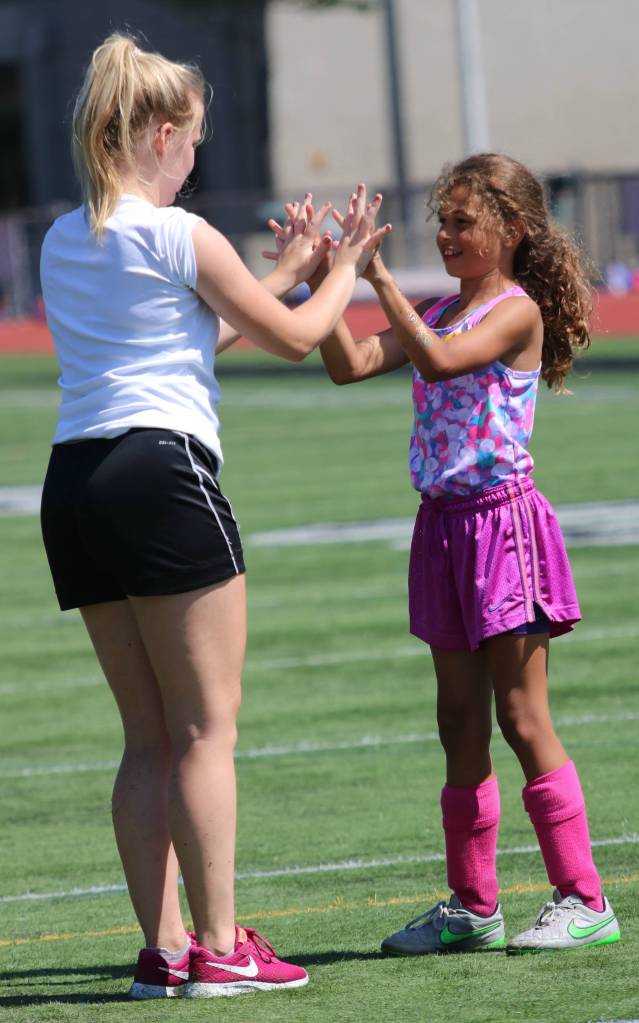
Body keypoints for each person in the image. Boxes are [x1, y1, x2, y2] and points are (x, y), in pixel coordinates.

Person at [39, 32, 389, 999]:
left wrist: (287, 268)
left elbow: (187, 335)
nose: (195, 156)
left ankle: (164, 951)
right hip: (162, 472)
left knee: (146, 735)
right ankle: (223, 946)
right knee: (205, 729)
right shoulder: (181, 233)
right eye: (191, 139)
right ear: (161, 135)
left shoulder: (66, 236)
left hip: (75, 481)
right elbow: (299, 340)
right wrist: (345, 266)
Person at [309, 153, 621, 954]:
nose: (444, 235)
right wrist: (322, 279)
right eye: (439, 222)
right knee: (457, 721)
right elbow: (348, 364)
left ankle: (583, 897)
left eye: (460, 221)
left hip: (502, 527)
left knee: (520, 715)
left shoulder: (514, 313)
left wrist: (375, 275)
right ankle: (473, 905)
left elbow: (442, 360)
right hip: (442, 527)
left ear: (510, 230)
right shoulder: (438, 310)